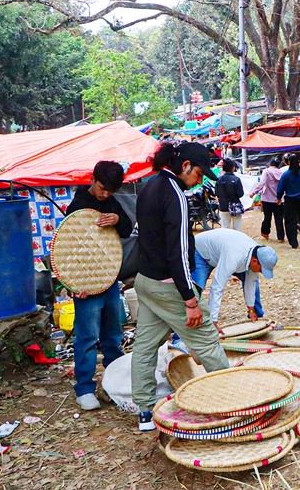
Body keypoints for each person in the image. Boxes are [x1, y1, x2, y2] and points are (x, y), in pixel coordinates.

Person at [131, 141, 230, 432]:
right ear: (185, 166)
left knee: (145, 347)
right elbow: (179, 251)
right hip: (168, 285)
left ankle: (145, 412)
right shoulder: (176, 195)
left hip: (145, 281)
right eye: (199, 174)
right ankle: (238, 399)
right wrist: (190, 299)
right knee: (207, 341)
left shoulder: (148, 186)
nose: (199, 181)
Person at [66, 161, 133, 411]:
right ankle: (84, 387)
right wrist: (73, 283)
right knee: (87, 336)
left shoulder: (111, 203)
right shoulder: (78, 207)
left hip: (109, 278)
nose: (105, 194)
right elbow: (66, 250)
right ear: (93, 179)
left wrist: (117, 219)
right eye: (102, 188)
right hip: (85, 284)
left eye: (110, 191)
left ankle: (116, 381)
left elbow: (126, 230)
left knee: (112, 335)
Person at [192, 229, 278, 324]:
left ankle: (256, 317)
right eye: (261, 269)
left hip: (222, 252)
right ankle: (180, 336)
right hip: (201, 252)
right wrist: (213, 320)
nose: (261, 272)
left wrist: (251, 310)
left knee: (255, 283)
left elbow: (250, 283)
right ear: (254, 261)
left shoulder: (256, 253)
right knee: (195, 291)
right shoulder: (234, 256)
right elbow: (217, 287)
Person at [250, 158, 284, 242]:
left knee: (267, 217)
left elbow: (261, 183)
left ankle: (265, 233)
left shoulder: (267, 171)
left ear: (270, 164)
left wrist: (254, 192)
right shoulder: (281, 172)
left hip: (267, 199)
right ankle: (281, 236)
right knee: (279, 218)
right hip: (278, 199)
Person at [216, 158, 244, 232]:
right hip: (235, 206)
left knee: (225, 228)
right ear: (233, 167)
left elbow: (217, 194)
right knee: (237, 228)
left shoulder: (219, 180)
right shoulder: (237, 179)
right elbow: (241, 194)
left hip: (223, 205)